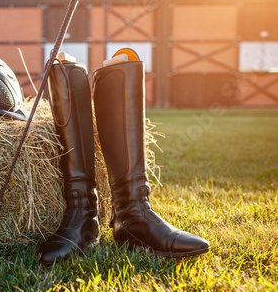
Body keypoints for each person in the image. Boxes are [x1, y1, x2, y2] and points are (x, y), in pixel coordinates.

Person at [38, 50, 210, 265]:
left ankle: (133, 215)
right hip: (79, 217)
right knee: (64, 68)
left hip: (132, 217)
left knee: (123, 66)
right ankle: (83, 216)